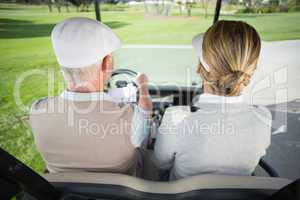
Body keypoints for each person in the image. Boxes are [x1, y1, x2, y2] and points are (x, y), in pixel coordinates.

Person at [30, 17, 152, 175]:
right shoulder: (130, 118)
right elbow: (145, 117)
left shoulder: (37, 110)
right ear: (106, 63)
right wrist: (142, 85)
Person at [154, 20, 272, 180]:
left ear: (200, 68)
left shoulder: (175, 118)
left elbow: (161, 163)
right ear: (252, 69)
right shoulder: (263, 117)